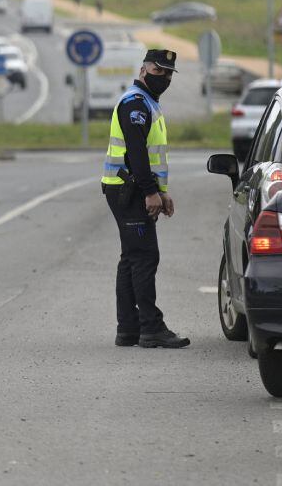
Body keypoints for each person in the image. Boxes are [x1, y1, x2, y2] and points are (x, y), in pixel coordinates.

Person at [101, 49, 190, 349]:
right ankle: (151, 327)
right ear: (144, 70)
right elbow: (137, 154)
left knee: (131, 257)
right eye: (159, 70)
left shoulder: (148, 103)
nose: (163, 77)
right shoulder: (135, 104)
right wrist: (151, 192)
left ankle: (128, 329)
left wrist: (161, 191)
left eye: (168, 73)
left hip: (129, 188)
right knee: (144, 256)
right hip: (130, 190)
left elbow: (150, 157)